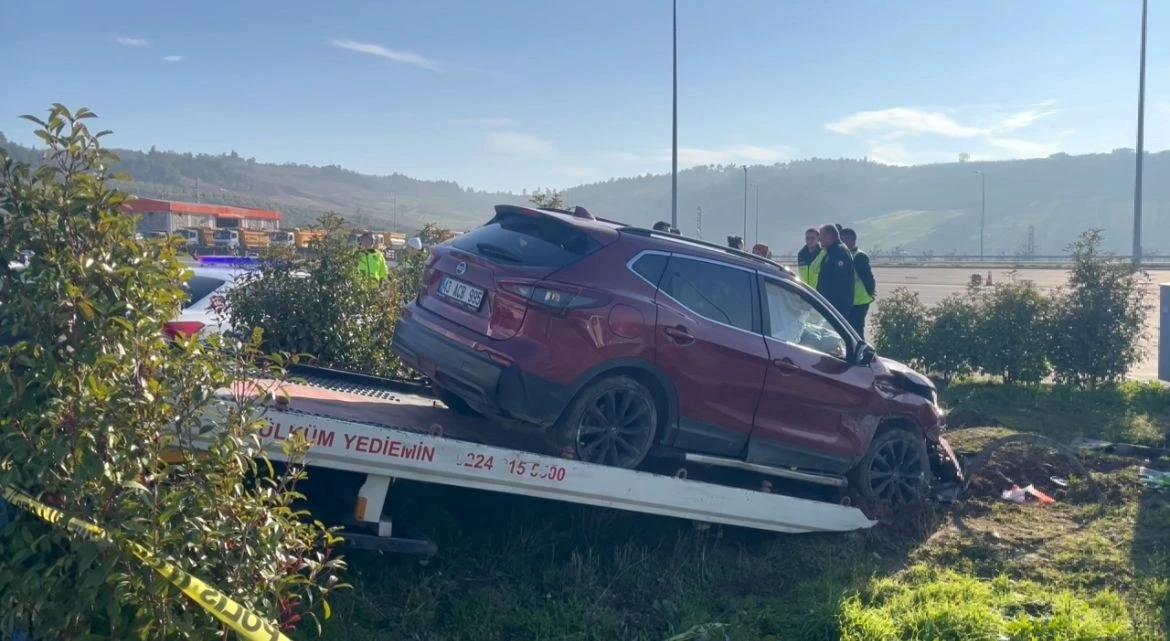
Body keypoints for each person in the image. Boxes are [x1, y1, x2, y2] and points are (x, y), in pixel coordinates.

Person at [840, 228, 876, 338]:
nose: (841, 242)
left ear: (851, 240)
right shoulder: (844, 255)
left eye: (844, 239)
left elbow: (868, 278)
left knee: (856, 330)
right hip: (849, 301)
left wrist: (871, 292)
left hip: (859, 301)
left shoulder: (859, 257)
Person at [814, 224, 855, 318]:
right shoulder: (831, 252)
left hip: (836, 306)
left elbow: (840, 283)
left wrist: (829, 304)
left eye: (820, 235)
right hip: (829, 305)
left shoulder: (839, 253)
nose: (819, 239)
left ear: (828, 236)